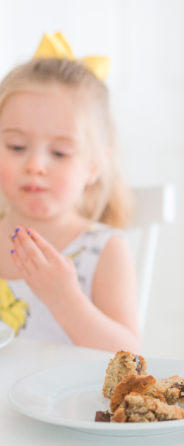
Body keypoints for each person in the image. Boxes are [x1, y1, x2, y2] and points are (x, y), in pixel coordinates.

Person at [0, 33, 139, 352]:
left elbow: (129, 358)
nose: (36, 165)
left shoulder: (105, 251)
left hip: (70, 403)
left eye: (60, 152)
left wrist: (66, 300)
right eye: (17, 146)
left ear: (94, 166)